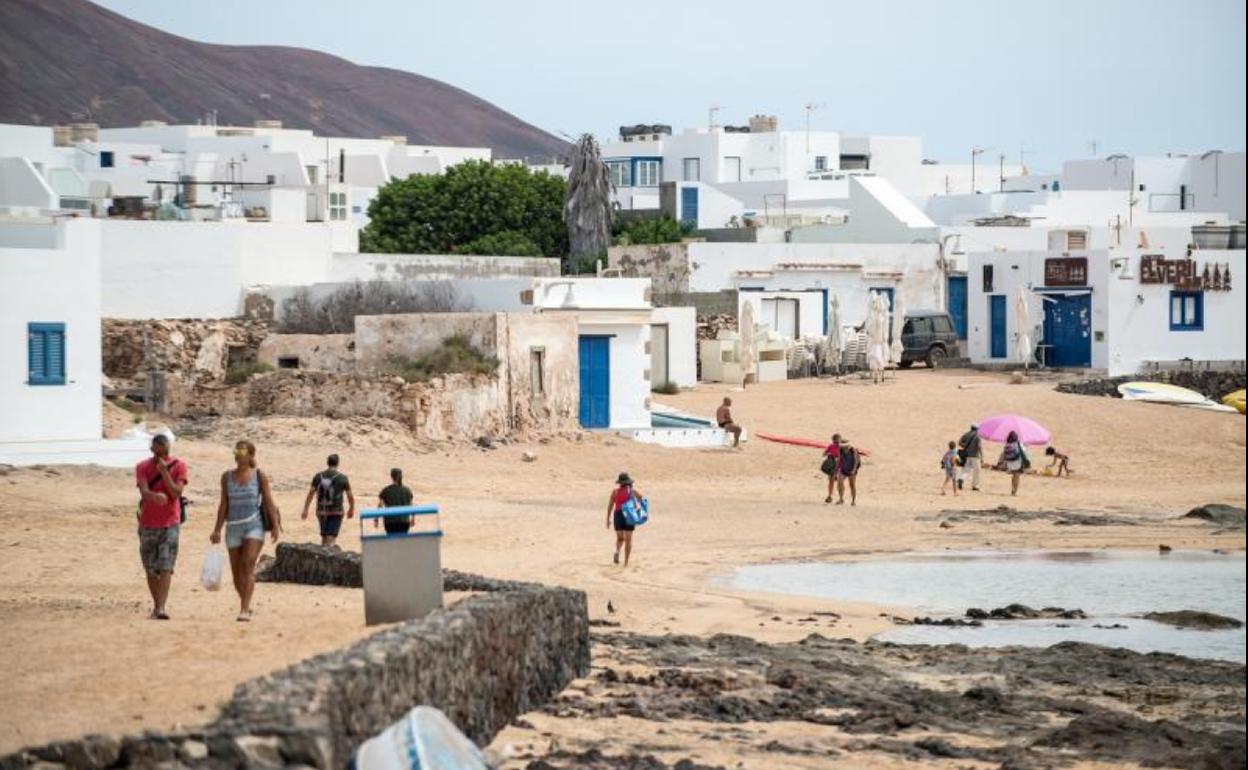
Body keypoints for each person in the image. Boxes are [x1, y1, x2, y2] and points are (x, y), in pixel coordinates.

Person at [210, 441, 281, 622]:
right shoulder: (226, 477)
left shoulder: (259, 475)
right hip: (233, 527)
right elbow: (224, 504)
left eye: (242, 451)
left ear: (250, 455)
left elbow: (269, 501)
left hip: (254, 525)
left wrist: (275, 525)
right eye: (236, 451)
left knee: (247, 565)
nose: (238, 454)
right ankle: (246, 603)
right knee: (236, 574)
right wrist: (217, 529)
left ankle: (244, 609)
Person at [135, 433, 188, 620]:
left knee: (166, 566)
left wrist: (165, 472)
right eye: (158, 453)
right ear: (152, 450)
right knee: (150, 568)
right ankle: (157, 605)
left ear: (168, 450)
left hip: (170, 524)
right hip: (148, 524)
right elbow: (143, 491)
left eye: (164, 453)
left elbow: (176, 493)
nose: (161, 457)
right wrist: (154, 497)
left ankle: (161, 607)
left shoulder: (179, 466)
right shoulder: (142, 467)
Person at [301, 454, 355, 546]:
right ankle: (330, 554)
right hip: (336, 511)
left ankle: (323, 553)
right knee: (331, 538)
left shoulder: (318, 476)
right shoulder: (342, 478)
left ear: (327, 463)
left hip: (321, 511)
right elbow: (350, 495)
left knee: (324, 537)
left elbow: (311, 493)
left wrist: (306, 509)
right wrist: (351, 508)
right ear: (337, 463)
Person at [606, 472, 642, 567]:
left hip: (618, 515)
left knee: (620, 538)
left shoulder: (615, 492)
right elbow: (641, 497)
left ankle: (617, 551)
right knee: (628, 540)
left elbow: (610, 506)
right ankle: (626, 563)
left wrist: (608, 519)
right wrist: (636, 505)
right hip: (628, 515)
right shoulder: (632, 491)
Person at [376, 468, 414, 534]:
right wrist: (413, 518)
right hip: (404, 521)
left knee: (391, 539)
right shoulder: (407, 490)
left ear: (392, 477)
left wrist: (376, 518)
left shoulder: (386, 490)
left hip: (390, 522)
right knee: (402, 539)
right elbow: (411, 506)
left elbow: (380, 505)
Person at [999, 430, 1029, 496]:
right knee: (1017, 476)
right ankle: (1014, 492)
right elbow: (1023, 452)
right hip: (1017, 462)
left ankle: (1013, 489)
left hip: (1010, 463)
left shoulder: (1007, 444)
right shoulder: (1018, 444)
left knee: (1013, 476)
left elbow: (1003, 454)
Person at [836, 436, 861, 506]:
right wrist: (836, 470)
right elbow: (839, 460)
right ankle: (841, 499)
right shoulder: (840, 449)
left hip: (851, 469)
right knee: (839, 482)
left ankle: (853, 501)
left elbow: (856, 461)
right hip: (843, 469)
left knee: (852, 485)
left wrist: (853, 470)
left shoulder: (853, 450)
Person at [957, 424, 983, 491]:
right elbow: (979, 446)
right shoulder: (978, 436)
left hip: (967, 455)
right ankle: (975, 486)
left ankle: (961, 478)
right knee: (977, 471)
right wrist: (982, 456)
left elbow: (959, 442)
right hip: (975, 456)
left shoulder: (966, 434)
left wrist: (964, 446)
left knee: (966, 469)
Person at [821, 433, 841, 503]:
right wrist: (830, 454)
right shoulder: (831, 446)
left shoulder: (842, 447)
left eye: (837, 442)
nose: (836, 443)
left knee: (839, 483)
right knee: (831, 482)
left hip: (839, 467)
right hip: (832, 466)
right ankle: (830, 496)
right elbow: (824, 454)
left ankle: (840, 498)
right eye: (835, 442)